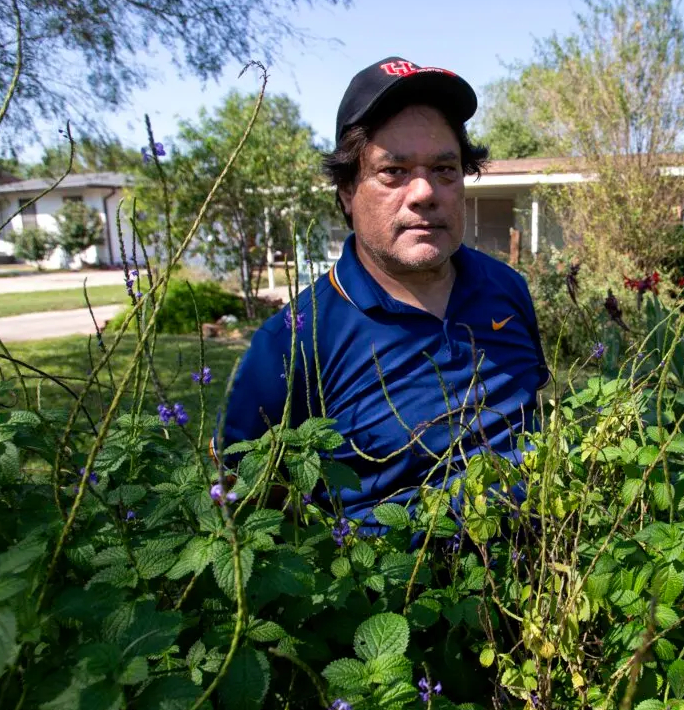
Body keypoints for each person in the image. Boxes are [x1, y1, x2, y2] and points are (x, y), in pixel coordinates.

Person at [217, 56, 550, 525]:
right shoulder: (294, 339)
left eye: (444, 168)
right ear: (348, 191)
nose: (423, 192)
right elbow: (243, 502)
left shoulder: (507, 290)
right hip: (394, 590)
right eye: (393, 171)